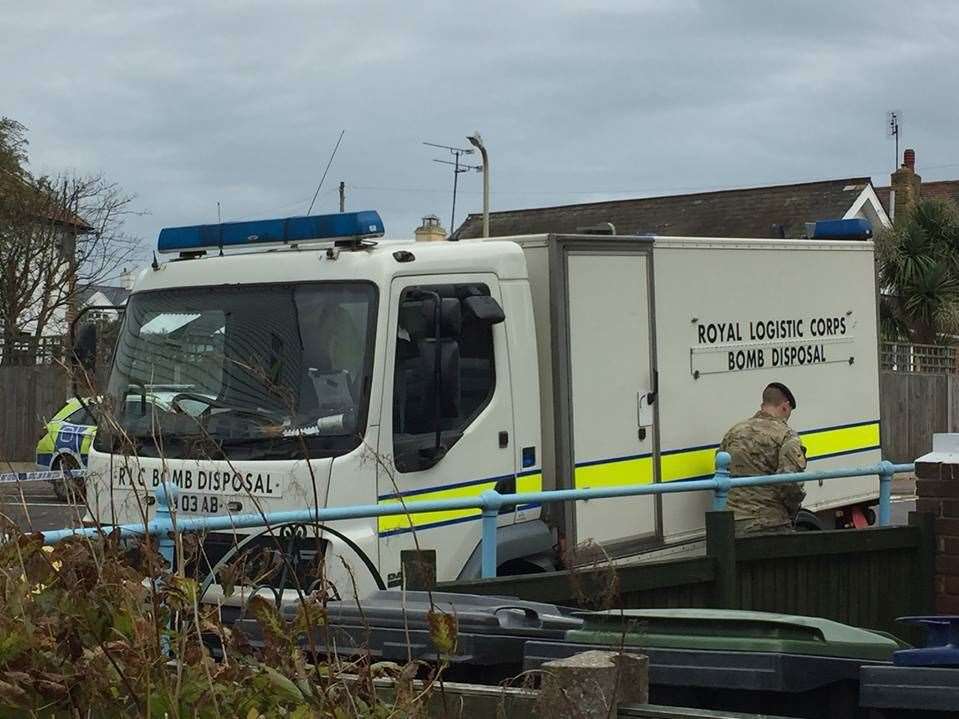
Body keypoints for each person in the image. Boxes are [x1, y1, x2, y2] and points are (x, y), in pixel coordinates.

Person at [719, 382, 806, 534]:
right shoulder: (787, 435)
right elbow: (790, 483)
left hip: (732, 523)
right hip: (770, 524)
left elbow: (721, 470)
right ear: (785, 407)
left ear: (762, 405)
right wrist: (792, 510)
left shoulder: (734, 431)